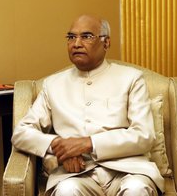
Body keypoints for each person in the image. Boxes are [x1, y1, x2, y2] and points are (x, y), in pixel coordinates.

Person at [11, 14, 164, 196]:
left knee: (137, 189)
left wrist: (88, 143)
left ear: (106, 43)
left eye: (86, 36)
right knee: (67, 191)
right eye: (71, 37)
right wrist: (61, 147)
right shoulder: (52, 85)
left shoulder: (131, 78)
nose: (76, 44)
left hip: (128, 170)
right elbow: (21, 133)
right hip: (76, 174)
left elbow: (144, 135)